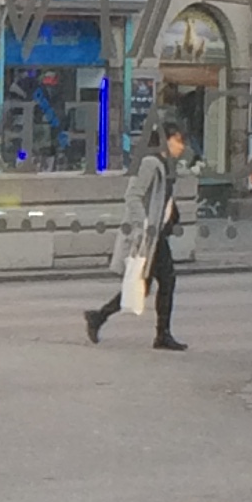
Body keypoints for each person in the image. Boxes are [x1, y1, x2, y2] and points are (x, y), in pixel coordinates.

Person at [86, 120, 190, 352]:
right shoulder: (150, 163)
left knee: (147, 283)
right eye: (177, 141)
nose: (181, 146)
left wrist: (171, 218)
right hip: (149, 235)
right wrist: (143, 225)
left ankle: (100, 317)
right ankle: (161, 334)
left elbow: (163, 198)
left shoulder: (165, 164)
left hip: (157, 234)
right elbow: (133, 196)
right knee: (162, 281)